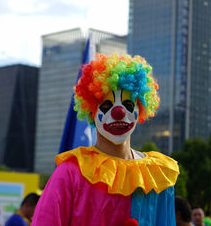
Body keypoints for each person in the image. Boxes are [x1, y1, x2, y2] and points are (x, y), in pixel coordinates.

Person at [32, 53, 179, 225]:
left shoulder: (158, 176)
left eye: (128, 105)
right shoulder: (71, 173)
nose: (119, 112)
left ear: (140, 109)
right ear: (92, 112)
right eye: (107, 105)